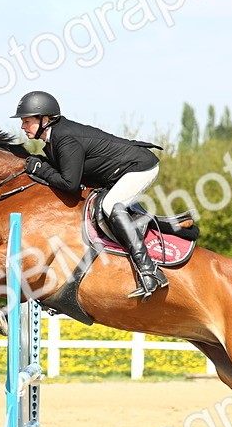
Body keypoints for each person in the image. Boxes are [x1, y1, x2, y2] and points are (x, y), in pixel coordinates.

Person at [12, 90, 168, 299]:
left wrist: (41, 169)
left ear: (45, 119)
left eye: (27, 121)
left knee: (111, 206)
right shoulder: (53, 138)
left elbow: (70, 184)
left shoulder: (64, 138)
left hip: (140, 167)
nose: (23, 126)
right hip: (116, 173)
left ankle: (150, 272)